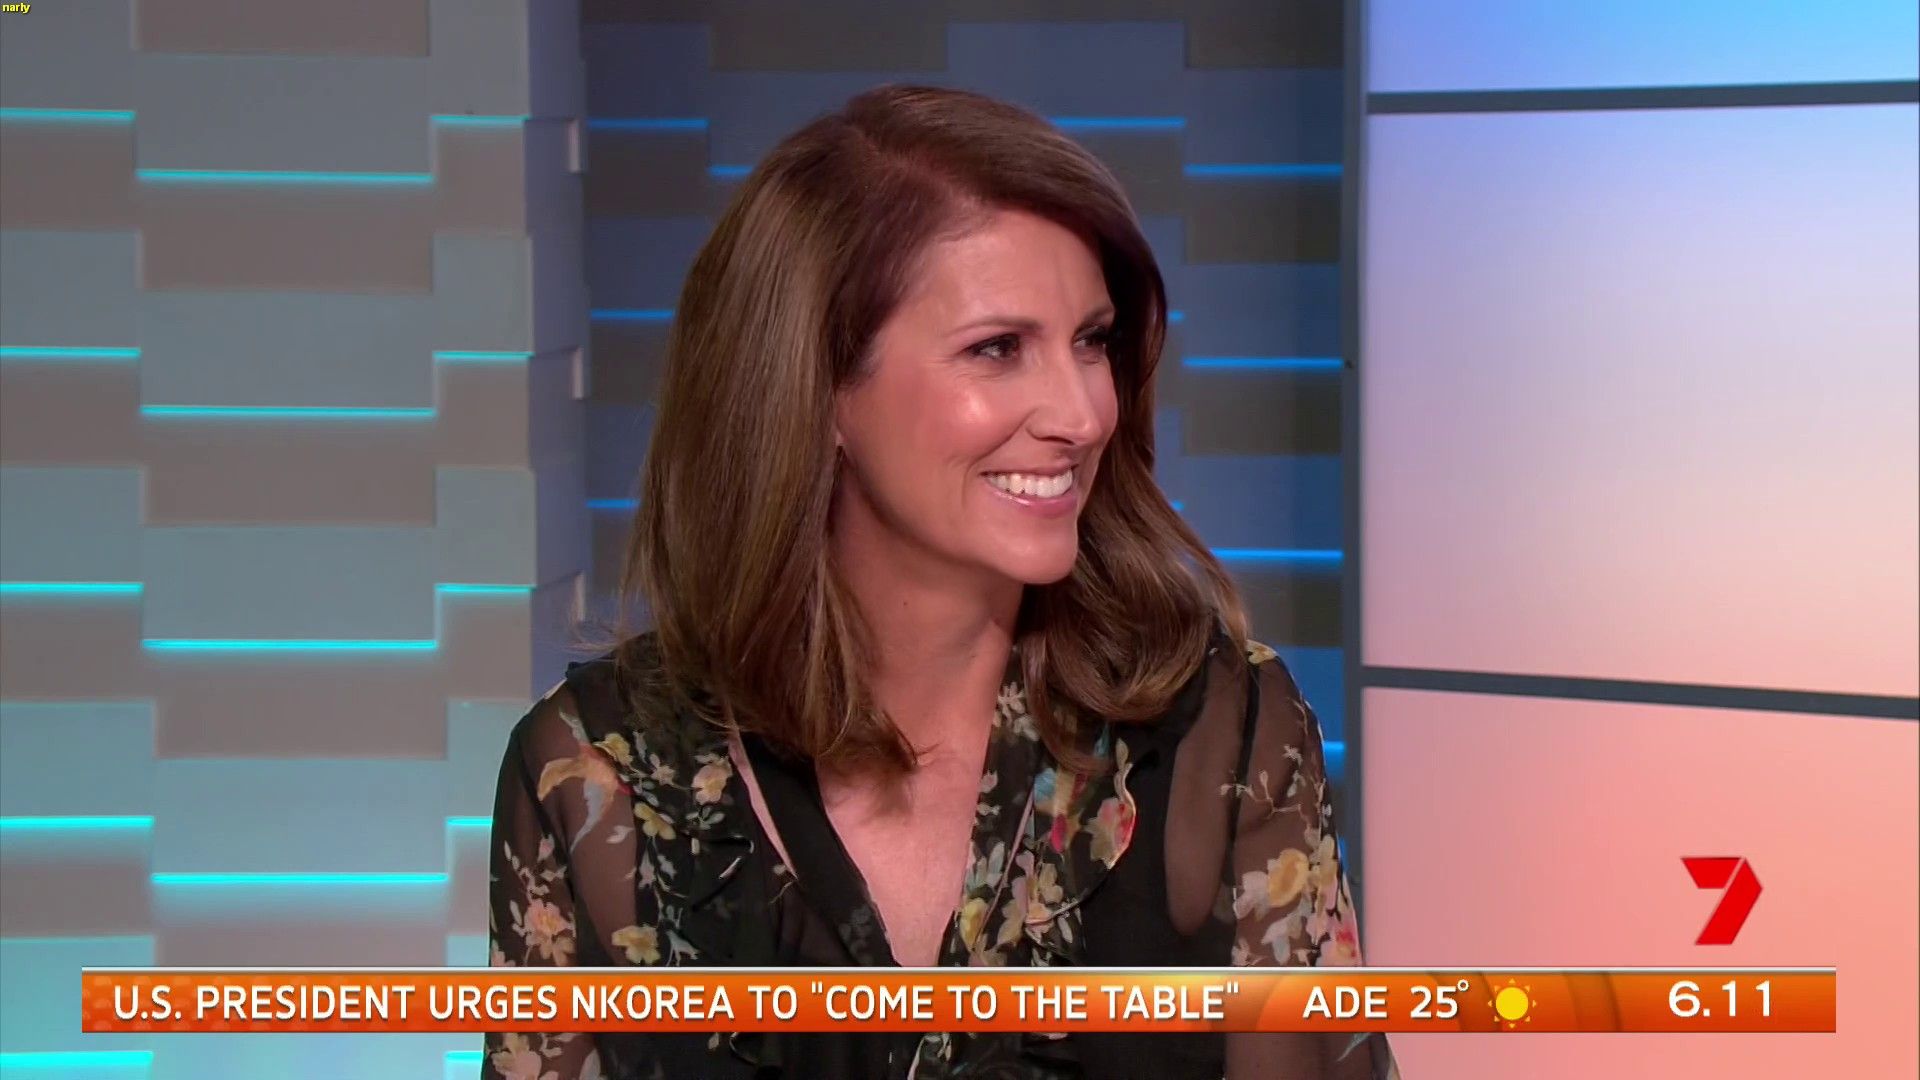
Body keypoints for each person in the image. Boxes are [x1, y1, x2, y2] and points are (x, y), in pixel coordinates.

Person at [484, 83, 1400, 1080]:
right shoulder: (593, 775)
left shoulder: (1225, 728)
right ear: (820, 390)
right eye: (997, 349)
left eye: (1091, 341)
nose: (1082, 414)